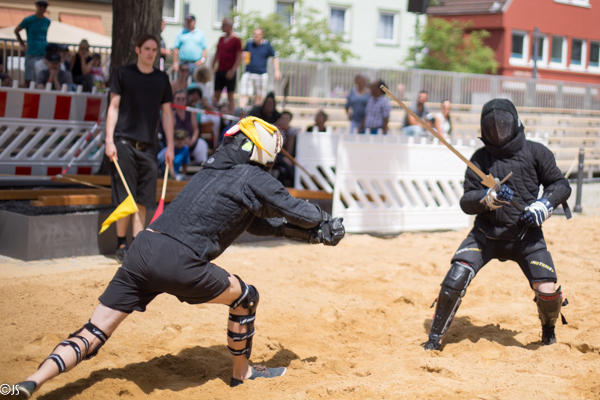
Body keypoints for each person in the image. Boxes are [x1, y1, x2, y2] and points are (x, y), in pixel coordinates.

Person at [10, 117, 346, 399]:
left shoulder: (212, 173)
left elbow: (260, 224)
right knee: (246, 297)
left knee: (93, 331)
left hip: (143, 249)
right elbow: (296, 210)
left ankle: (31, 382)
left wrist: (313, 235)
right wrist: (325, 223)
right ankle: (242, 374)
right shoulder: (251, 177)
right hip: (180, 262)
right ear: (263, 150)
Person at [423, 98, 572, 351]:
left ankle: (549, 333)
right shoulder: (479, 159)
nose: (498, 131)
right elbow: (466, 201)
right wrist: (488, 199)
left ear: (514, 122)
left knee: (547, 290)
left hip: (527, 236)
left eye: (503, 125)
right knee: (456, 276)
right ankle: (434, 339)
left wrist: (544, 205)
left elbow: (561, 185)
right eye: (492, 127)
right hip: (485, 235)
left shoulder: (537, 152)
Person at [104, 34, 174, 262]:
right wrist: (109, 140)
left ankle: (136, 245)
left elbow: (167, 114)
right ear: (137, 50)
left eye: (154, 49)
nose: (150, 53)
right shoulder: (123, 74)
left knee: (144, 200)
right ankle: (121, 244)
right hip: (123, 143)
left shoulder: (162, 79)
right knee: (126, 198)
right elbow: (113, 107)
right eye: (146, 48)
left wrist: (170, 146)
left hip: (149, 147)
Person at [240, 28, 281, 106]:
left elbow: (274, 58)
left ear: (262, 35)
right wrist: (243, 56)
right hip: (249, 72)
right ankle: (242, 111)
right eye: (254, 35)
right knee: (244, 93)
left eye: (258, 35)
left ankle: (257, 112)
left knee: (260, 96)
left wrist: (277, 70)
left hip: (261, 74)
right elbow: (243, 54)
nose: (256, 36)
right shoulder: (249, 44)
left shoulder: (267, 45)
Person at [14, 0, 51, 88]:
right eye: (41, 5)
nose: (42, 8)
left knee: (40, 77)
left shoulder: (47, 21)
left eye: (44, 6)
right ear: (37, 6)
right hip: (32, 52)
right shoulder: (29, 20)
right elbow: (16, 30)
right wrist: (23, 44)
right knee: (29, 77)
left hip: (43, 53)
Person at [212, 18, 242, 115]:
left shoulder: (236, 40)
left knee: (230, 96)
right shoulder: (221, 39)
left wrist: (233, 70)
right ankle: (215, 113)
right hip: (220, 70)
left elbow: (239, 57)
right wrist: (212, 66)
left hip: (229, 72)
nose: (222, 27)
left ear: (229, 26)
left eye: (224, 25)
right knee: (216, 95)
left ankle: (232, 116)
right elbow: (217, 54)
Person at [272, 110, 299, 187]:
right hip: (277, 156)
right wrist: (283, 158)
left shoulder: (293, 132)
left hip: (290, 157)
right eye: (283, 118)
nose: (285, 121)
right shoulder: (275, 130)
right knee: (287, 166)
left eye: (287, 119)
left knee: (290, 167)